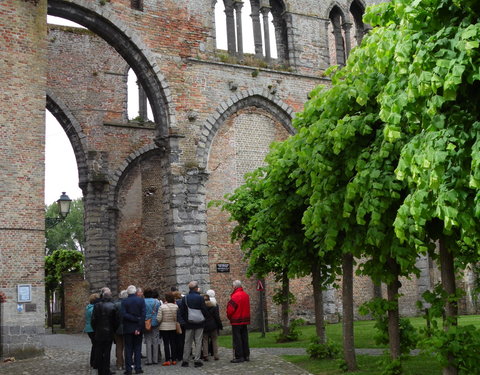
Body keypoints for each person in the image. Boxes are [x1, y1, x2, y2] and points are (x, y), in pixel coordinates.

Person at [179, 281, 208, 368]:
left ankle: (185, 360)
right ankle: (197, 360)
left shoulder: (185, 298)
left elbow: (182, 312)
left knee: (187, 342)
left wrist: (186, 320)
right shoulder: (200, 298)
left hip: (189, 323)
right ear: (196, 288)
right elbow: (204, 310)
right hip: (199, 323)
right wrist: (205, 318)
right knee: (198, 342)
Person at [91, 288, 119, 375]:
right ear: (110, 296)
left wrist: (96, 329)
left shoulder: (97, 305)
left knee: (99, 351)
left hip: (99, 332)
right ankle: (106, 370)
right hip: (109, 332)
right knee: (107, 352)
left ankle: (100, 370)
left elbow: (93, 320)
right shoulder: (113, 305)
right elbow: (116, 321)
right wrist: (113, 330)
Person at [122, 285, 146, 375]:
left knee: (128, 349)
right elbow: (143, 315)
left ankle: (128, 369)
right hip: (138, 327)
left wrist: (133, 319)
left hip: (128, 328)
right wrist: (138, 325)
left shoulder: (124, 301)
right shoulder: (140, 300)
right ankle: (138, 368)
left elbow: (124, 314)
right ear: (135, 292)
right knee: (137, 348)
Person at [227, 280, 251, 363]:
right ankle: (246, 355)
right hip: (245, 320)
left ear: (235, 286)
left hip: (236, 320)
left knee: (237, 339)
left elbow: (230, 309)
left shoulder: (235, 296)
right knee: (244, 338)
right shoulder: (246, 295)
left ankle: (239, 356)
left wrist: (229, 317)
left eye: (233, 286)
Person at [157, 292, 179, 366]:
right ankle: (174, 359)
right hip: (173, 326)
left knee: (166, 343)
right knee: (173, 343)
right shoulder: (176, 307)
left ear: (166, 299)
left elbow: (159, 319)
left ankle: (167, 360)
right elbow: (177, 318)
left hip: (164, 327)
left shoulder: (162, 307)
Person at [202, 293, 223, 361]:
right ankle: (216, 355)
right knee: (214, 340)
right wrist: (220, 325)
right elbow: (217, 317)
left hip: (204, 325)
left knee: (205, 340)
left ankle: (205, 355)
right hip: (213, 325)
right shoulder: (214, 306)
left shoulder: (202, 308)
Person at [143, 288, 160, 365]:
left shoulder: (142, 301)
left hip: (146, 322)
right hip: (155, 321)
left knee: (148, 340)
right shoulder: (157, 301)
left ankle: (149, 360)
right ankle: (155, 359)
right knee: (155, 340)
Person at [84, 293, 100, 370]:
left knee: (94, 345)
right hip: (93, 329)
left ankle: (93, 361)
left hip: (89, 329)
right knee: (96, 345)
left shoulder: (88, 307)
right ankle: (95, 362)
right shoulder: (93, 309)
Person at [114, 290, 128, 371]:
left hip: (118, 328)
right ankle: (127, 363)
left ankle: (119, 364)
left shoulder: (115, 305)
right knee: (128, 347)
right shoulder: (128, 304)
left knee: (119, 347)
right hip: (127, 328)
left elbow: (113, 318)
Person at [173, 290, 186, 364]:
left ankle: (178, 355)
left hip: (177, 323)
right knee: (183, 339)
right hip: (183, 322)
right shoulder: (183, 302)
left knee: (177, 339)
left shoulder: (175, 303)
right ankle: (182, 354)